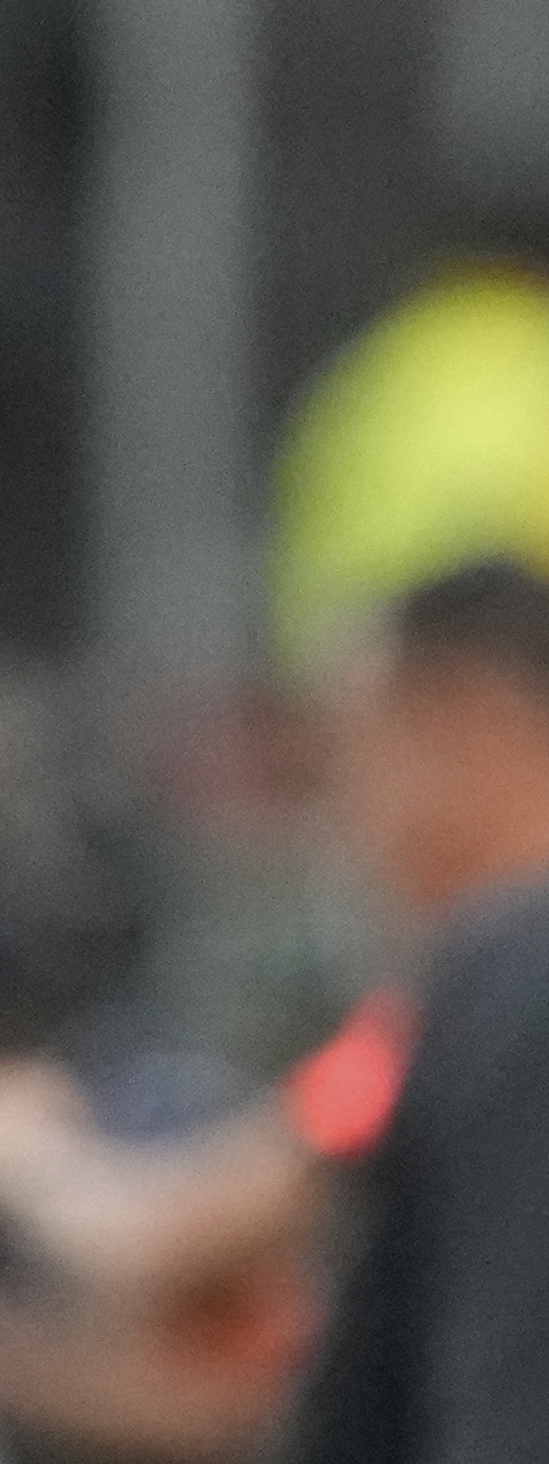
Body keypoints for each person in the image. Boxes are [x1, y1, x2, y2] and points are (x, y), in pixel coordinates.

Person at [287, 558, 549, 1462]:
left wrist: (10, 1149)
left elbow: (188, 1234)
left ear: (463, 722)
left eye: (354, 756)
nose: (345, 824)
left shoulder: (512, 977)